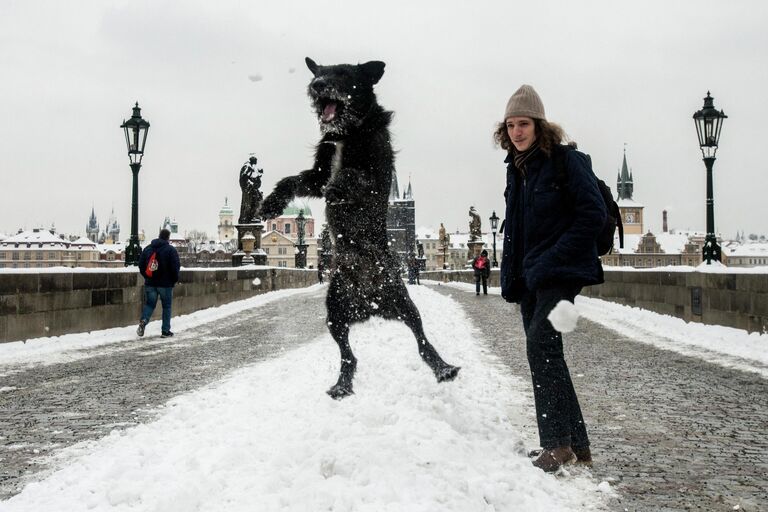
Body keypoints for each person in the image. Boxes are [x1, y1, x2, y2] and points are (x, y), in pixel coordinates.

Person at [494, 84, 606, 472]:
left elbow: (592, 215)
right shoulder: (517, 169)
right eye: (510, 125)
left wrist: (551, 259)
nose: (516, 132)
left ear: (539, 125)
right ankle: (577, 444)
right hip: (532, 277)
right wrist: (516, 274)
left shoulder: (566, 162)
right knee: (547, 352)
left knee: (541, 347)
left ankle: (556, 445)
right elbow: (518, 230)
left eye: (523, 124)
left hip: (560, 273)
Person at [136, 228, 181, 338]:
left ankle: (143, 321)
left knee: (150, 304)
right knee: (166, 307)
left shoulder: (148, 249)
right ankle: (165, 331)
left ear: (159, 236)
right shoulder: (171, 250)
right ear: (168, 238)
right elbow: (175, 267)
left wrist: (147, 276)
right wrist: (173, 280)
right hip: (165, 285)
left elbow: (141, 265)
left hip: (150, 283)